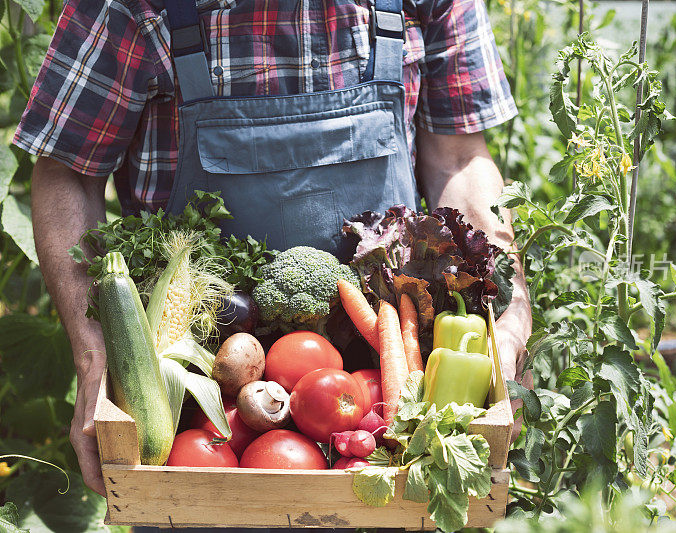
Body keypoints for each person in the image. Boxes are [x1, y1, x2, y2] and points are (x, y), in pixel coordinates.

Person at [16, 0, 532, 500]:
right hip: (198, 408)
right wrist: (96, 357)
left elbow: (460, 157)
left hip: (388, 394)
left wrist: (508, 317)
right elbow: (68, 173)